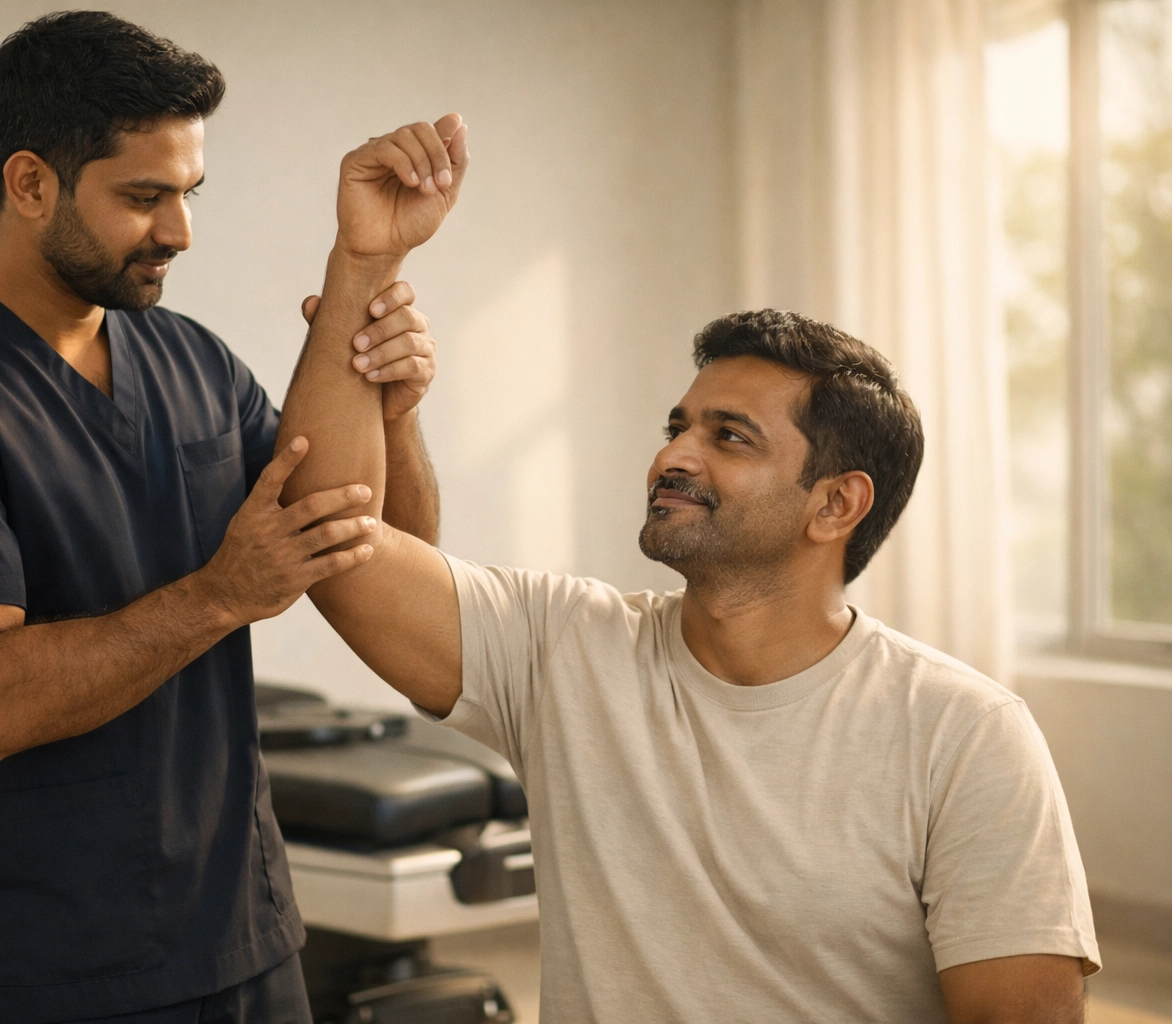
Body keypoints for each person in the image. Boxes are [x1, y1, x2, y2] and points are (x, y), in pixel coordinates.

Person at [274, 124, 1102, 1020]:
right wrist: (364, 261)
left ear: (836, 505)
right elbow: (336, 541)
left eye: (728, 437)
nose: (674, 455)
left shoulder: (965, 734)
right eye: (679, 425)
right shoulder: (566, 647)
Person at [0, 12, 445, 1024]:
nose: (180, 231)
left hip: (237, 934)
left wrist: (391, 400)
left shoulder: (192, 360)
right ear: (29, 184)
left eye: (189, 193)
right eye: (142, 197)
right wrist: (221, 593)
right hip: (29, 966)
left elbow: (359, 546)